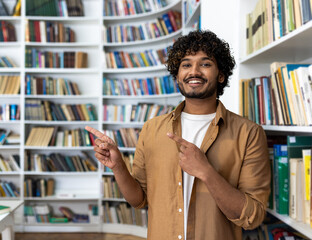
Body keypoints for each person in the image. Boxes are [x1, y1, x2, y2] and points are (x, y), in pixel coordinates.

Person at [85, 30, 270, 240]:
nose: (194, 71)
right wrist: (118, 166)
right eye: (186, 64)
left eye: (205, 64)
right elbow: (138, 199)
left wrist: (206, 171)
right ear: (178, 75)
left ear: (221, 75)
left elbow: (253, 216)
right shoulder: (152, 129)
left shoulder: (249, 133)